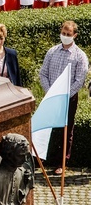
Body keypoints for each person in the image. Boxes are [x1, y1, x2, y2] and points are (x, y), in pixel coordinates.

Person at [39, 21, 88, 172]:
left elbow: (79, 80)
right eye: (64, 33)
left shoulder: (80, 56)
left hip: (68, 98)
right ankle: (41, 158)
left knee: (66, 130)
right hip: (51, 95)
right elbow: (43, 73)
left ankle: (62, 162)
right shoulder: (52, 51)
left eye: (68, 34)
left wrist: (64, 96)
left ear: (75, 36)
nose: (65, 36)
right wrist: (50, 92)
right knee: (47, 127)